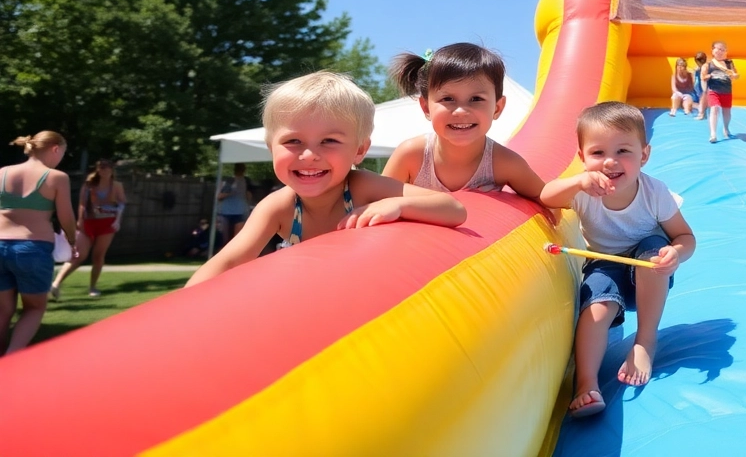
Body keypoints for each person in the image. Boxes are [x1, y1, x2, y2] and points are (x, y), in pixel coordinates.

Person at [185, 72, 467, 287]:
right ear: (272, 148)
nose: (309, 155)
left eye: (329, 141)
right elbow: (229, 261)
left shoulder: (363, 188)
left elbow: (454, 209)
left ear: (359, 150)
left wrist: (398, 205)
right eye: (293, 141)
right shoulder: (279, 207)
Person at [539, 102, 696, 418]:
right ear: (583, 158)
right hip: (604, 262)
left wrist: (675, 254)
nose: (610, 161)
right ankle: (586, 383)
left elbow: (686, 238)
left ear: (644, 155)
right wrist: (576, 182)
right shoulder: (583, 188)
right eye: (598, 153)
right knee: (596, 308)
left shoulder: (655, 192)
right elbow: (546, 197)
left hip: (648, 271)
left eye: (623, 150)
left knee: (654, 247)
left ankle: (644, 342)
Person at [382, 43, 544, 199]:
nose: (461, 111)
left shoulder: (502, 162)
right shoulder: (412, 155)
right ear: (426, 108)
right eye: (447, 98)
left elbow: (541, 195)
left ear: (497, 108)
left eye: (476, 99)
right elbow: (375, 196)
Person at [0, 132, 77, 354]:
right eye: (63, 152)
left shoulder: (3, 173)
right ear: (55, 148)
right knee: (34, 308)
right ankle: (12, 358)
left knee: (3, 310)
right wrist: (72, 241)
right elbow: (66, 217)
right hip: (32, 248)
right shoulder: (56, 177)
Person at [51, 158, 126, 299]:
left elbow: (122, 204)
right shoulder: (89, 184)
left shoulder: (116, 185)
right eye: (101, 167)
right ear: (97, 169)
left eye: (107, 167)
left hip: (107, 224)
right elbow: (82, 204)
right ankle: (56, 284)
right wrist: (79, 221)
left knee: (98, 256)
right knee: (79, 255)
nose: (104, 170)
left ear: (112, 170)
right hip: (88, 223)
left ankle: (93, 287)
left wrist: (117, 221)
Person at [700, 41, 739, 143]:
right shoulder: (708, 65)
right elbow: (703, 77)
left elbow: (736, 74)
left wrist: (735, 76)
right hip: (714, 90)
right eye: (718, 49)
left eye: (723, 50)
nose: (720, 52)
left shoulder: (729, 63)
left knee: (727, 112)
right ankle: (713, 134)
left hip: (726, 91)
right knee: (715, 108)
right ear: (713, 50)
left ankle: (726, 129)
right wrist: (710, 76)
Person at [215, 163, 251, 242]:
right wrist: (230, 193)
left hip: (240, 211)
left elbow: (248, 194)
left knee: (237, 237)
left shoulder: (246, 180)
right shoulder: (229, 180)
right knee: (225, 237)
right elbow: (219, 196)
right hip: (226, 212)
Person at [691, 51, 708, 120]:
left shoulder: (705, 67)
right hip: (698, 90)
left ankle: (701, 114)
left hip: (703, 89)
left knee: (703, 98)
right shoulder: (698, 68)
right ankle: (702, 110)